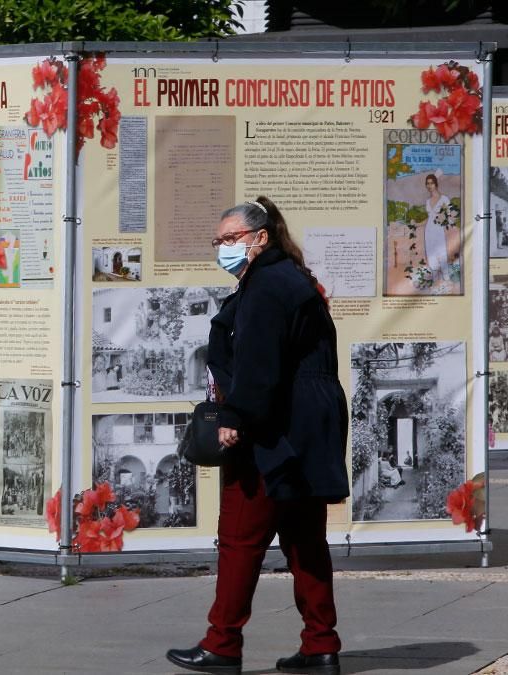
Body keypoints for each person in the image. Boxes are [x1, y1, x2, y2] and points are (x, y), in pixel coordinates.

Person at [166, 197, 348, 675]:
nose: (222, 247)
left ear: (259, 238)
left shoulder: (267, 286)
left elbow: (258, 365)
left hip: (274, 429)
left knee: (240, 538)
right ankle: (321, 645)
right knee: (305, 540)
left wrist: (235, 419)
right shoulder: (289, 279)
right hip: (307, 426)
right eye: (218, 241)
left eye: (230, 239)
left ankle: (221, 645)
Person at [423, 174, 451, 281]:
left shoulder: (444, 199)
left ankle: (447, 279)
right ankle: (435, 280)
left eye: (431, 183)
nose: (429, 186)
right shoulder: (427, 201)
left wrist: (443, 218)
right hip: (428, 232)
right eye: (427, 184)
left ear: (436, 184)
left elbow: (450, 216)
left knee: (442, 254)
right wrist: (417, 224)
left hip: (439, 230)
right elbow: (429, 218)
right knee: (431, 255)